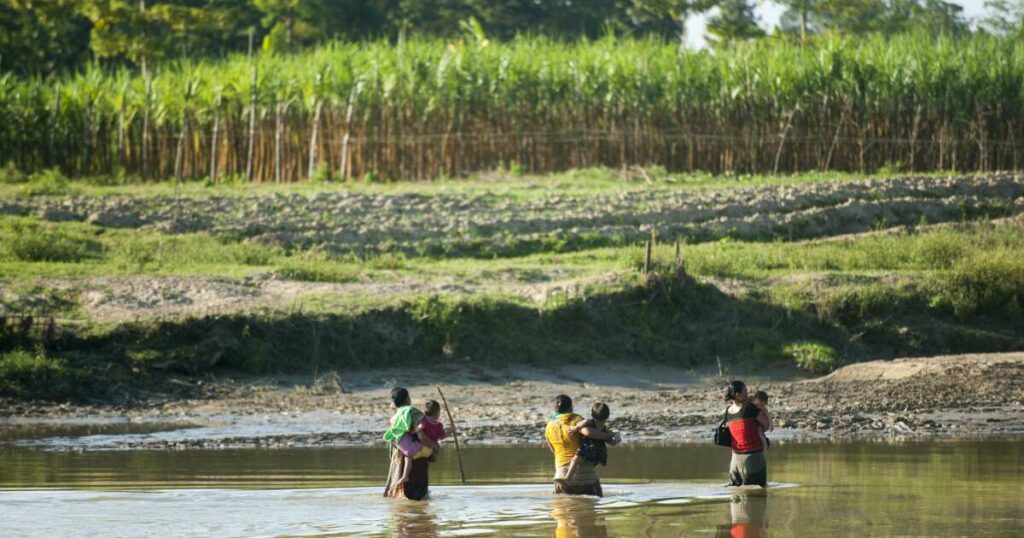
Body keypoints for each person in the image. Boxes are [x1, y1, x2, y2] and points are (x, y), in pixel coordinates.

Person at [543, 394, 618, 497]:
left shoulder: (549, 426)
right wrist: (607, 437)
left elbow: (553, 451)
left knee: (561, 508)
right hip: (588, 478)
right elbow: (588, 432)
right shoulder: (577, 420)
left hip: (562, 475)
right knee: (596, 500)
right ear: (571, 407)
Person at [383, 387, 438, 500]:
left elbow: (395, 440)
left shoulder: (395, 417)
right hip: (416, 461)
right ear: (408, 399)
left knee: (401, 499)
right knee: (419, 498)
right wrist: (435, 446)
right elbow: (422, 435)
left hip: (400, 460)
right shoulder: (412, 412)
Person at [555, 402, 619, 486]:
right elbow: (611, 439)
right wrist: (612, 437)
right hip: (600, 451)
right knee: (591, 465)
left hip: (588, 448)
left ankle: (568, 478)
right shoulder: (605, 428)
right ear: (607, 417)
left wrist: (575, 428)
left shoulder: (591, 422)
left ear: (592, 414)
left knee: (575, 460)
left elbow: (583, 424)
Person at [725, 380, 770, 488]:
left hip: (735, 460)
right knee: (758, 495)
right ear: (738, 395)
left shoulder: (728, 411)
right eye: (745, 391)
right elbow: (766, 425)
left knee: (736, 496)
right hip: (753, 458)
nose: (748, 393)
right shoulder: (750, 408)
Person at [398, 400, 446, 485]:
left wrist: (411, 432)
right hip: (429, 451)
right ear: (438, 413)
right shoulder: (439, 425)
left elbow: (417, 430)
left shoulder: (424, 421)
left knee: (407, 457)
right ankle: (432, 457)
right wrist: (452, 430)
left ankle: (405, 476)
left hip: (419, 449)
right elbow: (442, 436)